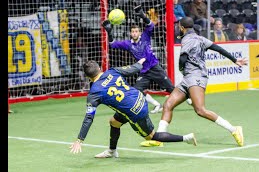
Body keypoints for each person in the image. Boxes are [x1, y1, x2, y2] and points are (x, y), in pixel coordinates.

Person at [69, 58, 197, 157]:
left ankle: (186, 138)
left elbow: (88, 118)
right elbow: (133, 69)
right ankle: (112, 151)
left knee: (151, 137)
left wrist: (80, 140)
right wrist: (140, 63)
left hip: (136, 111)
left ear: (88, 77)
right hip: (140, 98)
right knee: (114, 122)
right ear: (100, 68)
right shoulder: (112, 71)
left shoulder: (94, 93)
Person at [155, 17, 247, 147]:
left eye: (178, 27)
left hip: (196, 77)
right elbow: (218, 48)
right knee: (167, 105)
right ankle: (160, 136)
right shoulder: (201, 38)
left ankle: (234, 129)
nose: (177, 29)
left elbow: (183, 58)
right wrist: (234, 60)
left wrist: (181, 69)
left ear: (182, 28)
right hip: (189, 78)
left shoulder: (187, 39)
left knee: (200, 110)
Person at [102, 5, 192, 114]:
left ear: (139, 32)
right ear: (130, 33)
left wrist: (143, 15)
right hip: (144, 72)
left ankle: (188, 99)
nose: (135, 33)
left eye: (136, 31)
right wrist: (109, 32)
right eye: (133, 32)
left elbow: (150, 25)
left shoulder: (145, 36)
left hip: (155, 67)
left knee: (170, 88)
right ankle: (156, 104)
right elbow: (112, 44)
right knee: (136, 91)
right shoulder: (128, 44)